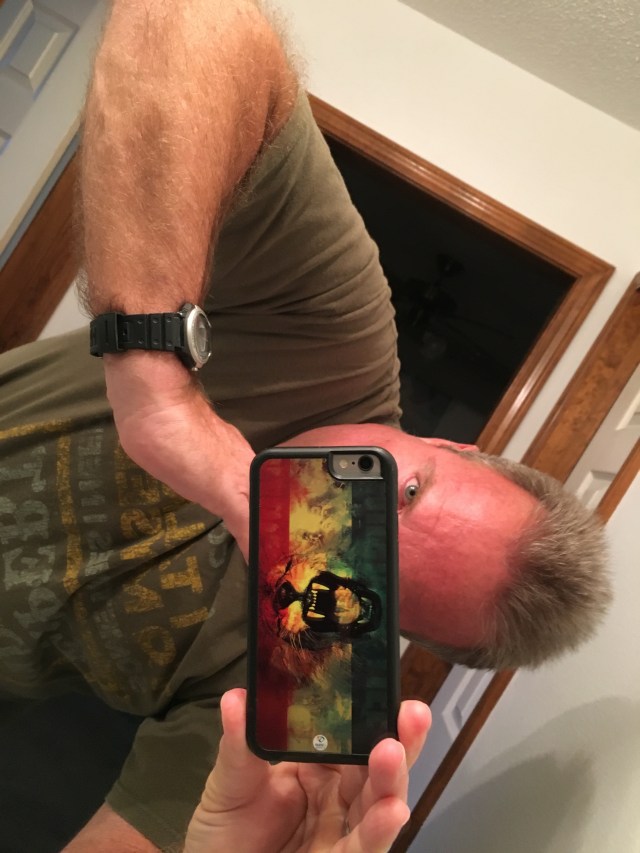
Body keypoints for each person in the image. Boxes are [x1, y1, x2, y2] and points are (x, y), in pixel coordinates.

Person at [0, 1, 609, 850]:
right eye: (402, 494)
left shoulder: (303, 672)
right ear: (449, 445)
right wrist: (157, 387)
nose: (333, 530)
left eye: (374, 577)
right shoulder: (335, 342)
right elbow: (189, 17)